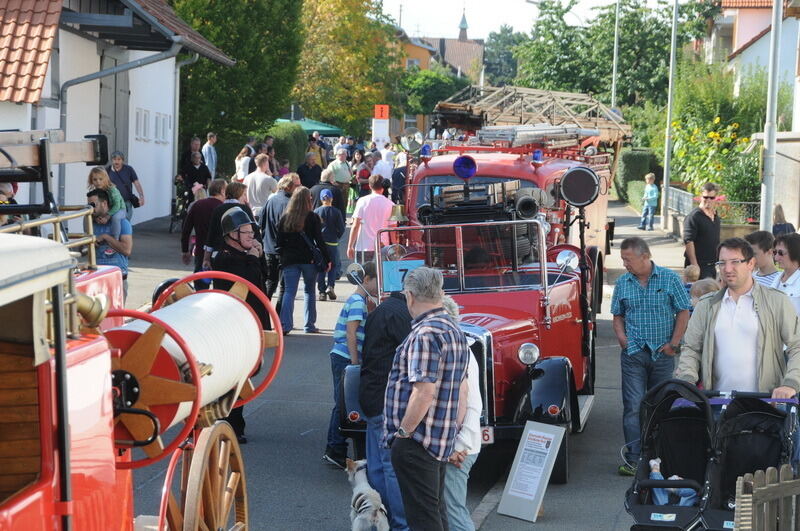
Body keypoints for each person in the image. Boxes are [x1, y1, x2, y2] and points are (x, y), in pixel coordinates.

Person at [384, 266, 470, 531]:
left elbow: (423, 391)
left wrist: (402, 432)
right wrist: (452, 432)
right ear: (440, 293)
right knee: (435, 513)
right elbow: (461, 391)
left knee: (423, 519)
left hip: (417, 441)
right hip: (439, 439)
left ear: (409, 296)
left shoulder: (425, 334)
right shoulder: (454, 330)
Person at [675, 237, 800, 400]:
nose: (727, 269)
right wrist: (687, 379)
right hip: (716, 403)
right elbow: (691, 348)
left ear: (751, 264)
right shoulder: (706, 305)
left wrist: (790, 383)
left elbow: (796, 346)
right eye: (722, 263)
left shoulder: (777, 301)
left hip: (765, 404)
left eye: (735, 262)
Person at [611, 237, 691, 476]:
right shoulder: (623, 283)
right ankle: (634, 459)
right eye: (623, 259)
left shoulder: (669, 278)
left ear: (645, 256)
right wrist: (624, 341)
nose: (625, 264)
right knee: (633, 406)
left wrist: (674, 344)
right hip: (634, 354)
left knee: (661, 407)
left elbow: (683, 311)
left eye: (628, 259)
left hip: (663, 354)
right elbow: (617, 316)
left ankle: (659, 458)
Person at [212, 206, 269, 444]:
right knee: (235, 376)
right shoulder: (224, 258)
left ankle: (233, 422)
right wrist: (254, 259)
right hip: (233, 326)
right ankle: (230, 423)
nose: (251, 237)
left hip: (250, 323)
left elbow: (264, 276)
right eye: (246, 233)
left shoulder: (245, 255)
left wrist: (259, 256)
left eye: (251, 232)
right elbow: (251, 281)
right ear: (232, 235)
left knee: (245, 373)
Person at [360, 289, 412, 530]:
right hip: (388, 399)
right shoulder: (404, 316)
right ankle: (400, 523)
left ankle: (381, 518)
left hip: (370, 393)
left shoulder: (379, 311)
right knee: (391, 466)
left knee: (377, 465)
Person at [323, 261, 377, 469]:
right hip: (345, 357)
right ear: (366, 280)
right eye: (376, 281)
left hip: (343, 356)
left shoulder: (362, 301)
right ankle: (334, 448)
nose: (378, 285)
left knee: (343, 402)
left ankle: (336, 447)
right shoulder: (357, 301)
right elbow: (351, 332)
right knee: (342, 403)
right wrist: (355, 362)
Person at [441, 296, 481, 531]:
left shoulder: (459, 351)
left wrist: (459, 446)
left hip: (461, 447)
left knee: (454, 511)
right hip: (460, 445)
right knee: (450, 509)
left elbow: (473, 404)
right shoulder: (459, 348)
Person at [276, 186, 330, 334]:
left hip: (289, 259)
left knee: (289, 292)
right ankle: (309, 324)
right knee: (309, 291)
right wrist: (327, 259)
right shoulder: (312, 217)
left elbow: (279, 242)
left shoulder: (286, 217)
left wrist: (282, 256)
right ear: (308, 200)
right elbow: (319, 241)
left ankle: (285, 325)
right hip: (309, 260)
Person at [88, 189, 133, 300]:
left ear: (104, 203)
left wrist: (106, 237)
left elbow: (127, 250)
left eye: (93, 204)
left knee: (116, 316)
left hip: (117, 278)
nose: (90, 208)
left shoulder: (122, 222)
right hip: (97, 278)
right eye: (88, 205)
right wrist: (89, 244)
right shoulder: (90, 223)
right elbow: (83, 249)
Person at [261, 174, 300, 301]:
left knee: (270, 283)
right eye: (297, 186)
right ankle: (278, 317)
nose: (298, 189)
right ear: (289, 187)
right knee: (284, 287)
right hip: (283, 250)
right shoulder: (289, 204)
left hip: (269, 248)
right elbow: (289, 230)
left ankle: (263, 314)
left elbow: (261, 223)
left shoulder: (271, 200)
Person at [181, 178, 226, 288]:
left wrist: (185, 250)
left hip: (201, 250)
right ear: (222, 191)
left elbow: (186, 229)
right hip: (220, 253)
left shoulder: (197, 205)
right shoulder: (223, 208)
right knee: (220, 288)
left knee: (200, 288)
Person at [202, 182, 258, 269]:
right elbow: (255, 233)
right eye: (244, 194)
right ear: (238, 194)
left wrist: (206, 259)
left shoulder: (218, 209)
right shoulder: (244, 209)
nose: (246, 198)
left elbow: (211, 235)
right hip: (240, 255)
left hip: (219, 255)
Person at [347, 175, 394, 264]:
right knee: (382, 276)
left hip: (364, 246)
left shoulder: (362, 201)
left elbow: (355, 225)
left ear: (369, 186)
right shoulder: (390, 204)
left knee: (364, 276)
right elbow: (392, 229)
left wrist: (350, 246)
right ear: (383, 186)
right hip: (383, 246)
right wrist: (395, 246)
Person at [683, 182, 721, 280]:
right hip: (699, 266)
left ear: (715, 198)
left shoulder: (715, 216)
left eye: (711, 198)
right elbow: (688, 241)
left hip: (712, 265)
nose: (708, 200)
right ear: (701, 196)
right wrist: (694, 265)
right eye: (705, 197)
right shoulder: (694, 217)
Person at [315, 189, 345, 301]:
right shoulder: (336, 212)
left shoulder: (316, 211)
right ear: (331, 198)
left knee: (321, 267)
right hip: (332, 242)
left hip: (320, 244)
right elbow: (341, 229)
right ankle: (330, 286)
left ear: (321, 199)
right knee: (333, 266)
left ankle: (321, 291)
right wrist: (336, 236)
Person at [87, 167, 127, 242]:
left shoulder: (112, 190)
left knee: (116, 218)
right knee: (88, 216)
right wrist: (95, 217)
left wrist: (107, 216)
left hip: (120, 209)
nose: (98, 182)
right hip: (108, 210)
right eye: (95, 179)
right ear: (91, 181)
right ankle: (88, 238)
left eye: (100, 179)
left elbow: (117, 205)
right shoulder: (96, 191)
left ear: (106, 179)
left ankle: (115, 239)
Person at [106, 151, 145, 220]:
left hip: (126, 202)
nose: (116, 162)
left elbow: (137, 183)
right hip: (113, 203)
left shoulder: (128, 169)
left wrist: (141, 196)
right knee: (114, 223)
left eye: (119, 159)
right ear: (112, 160)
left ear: (122, 160)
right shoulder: (108, 170)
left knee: (126, 222)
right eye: (114, 159)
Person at [770, 233, 800, 316]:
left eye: (781, 253)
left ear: (795, 253)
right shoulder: (776, 278)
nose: (776, 258)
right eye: (775, 252)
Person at [244, 154, 278, 221]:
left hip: (251, 213)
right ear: (266, 163)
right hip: (265, 213)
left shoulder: (247, 178)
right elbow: (278, 194)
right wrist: (271, 176)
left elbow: (244, 195)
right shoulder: (269, 179)